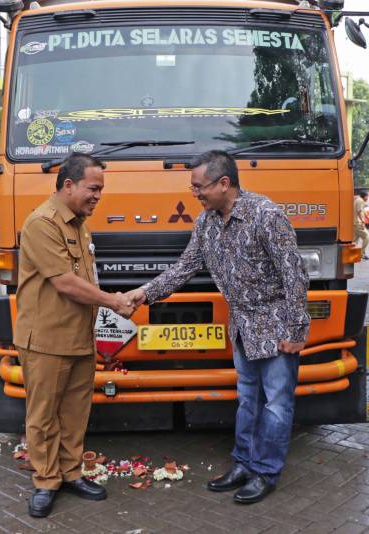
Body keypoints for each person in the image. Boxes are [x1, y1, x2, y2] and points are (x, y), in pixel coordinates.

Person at [125, 150, 309, 505]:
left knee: (276, 404)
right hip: (241, 327)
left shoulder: (265, 215)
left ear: (224, 183)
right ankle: (243, 463)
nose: (194, 193)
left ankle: (266, 472)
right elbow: (184, 268)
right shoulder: (206, 222)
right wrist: (144, 293)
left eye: (199, 186)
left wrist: (295, 330)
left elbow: (294, 275)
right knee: (247, 400)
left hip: (275, 325)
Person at [13, 153, 135, 519]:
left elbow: (86, 279)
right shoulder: (41, 224)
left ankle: (71, 473)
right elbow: (65, 283)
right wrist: (114, 301)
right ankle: (46, 481)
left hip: (79, 338)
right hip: (46, 339)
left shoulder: (80, 224)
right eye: (93, 188)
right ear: (69, 185)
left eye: (101, 189)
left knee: (75, 412)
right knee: (44, 414)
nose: (98, 195)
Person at [353, 191, 369, 260]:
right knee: (367, 237)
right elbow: (359, 211)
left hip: (356, 223)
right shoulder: (360, 201)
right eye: (368, 196)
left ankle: (352, 253)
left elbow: (363, 211)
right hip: (358, 223)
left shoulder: (358, 200)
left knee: (355, 241)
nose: (368, 198)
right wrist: (363, 221)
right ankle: (362, 253)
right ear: (365, 196)